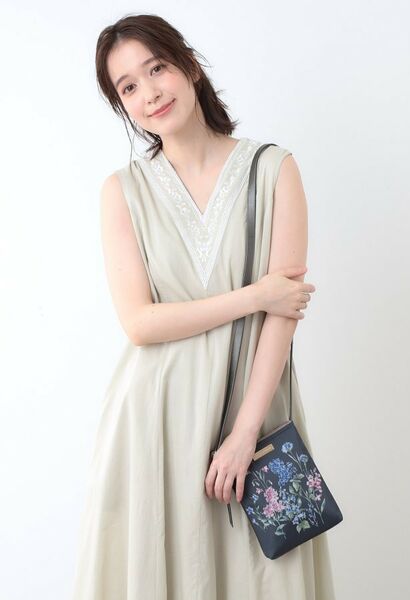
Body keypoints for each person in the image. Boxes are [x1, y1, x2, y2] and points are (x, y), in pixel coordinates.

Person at [71, 13, 337, 600]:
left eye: (157, 68)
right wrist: (254, 295)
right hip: (156, 421)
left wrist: (245, 434)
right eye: (128, 87)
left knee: (266, 579)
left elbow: (283, 315)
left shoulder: (274, 169)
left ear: (190, 65)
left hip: (255, 411)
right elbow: (140, 324)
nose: (149, 93)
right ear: (121, 105)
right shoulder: (122, 192)